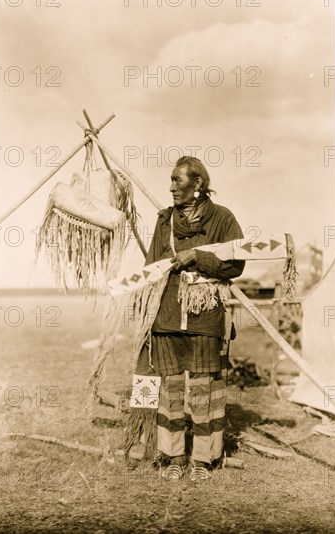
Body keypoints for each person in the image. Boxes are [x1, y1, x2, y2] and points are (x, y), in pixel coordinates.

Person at [135, 156, 245, 482]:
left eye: (177, 181)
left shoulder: (223, 219)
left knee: (203, 388)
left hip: (205, 316)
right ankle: (172, 457)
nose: (171, 187)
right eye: (170, 180)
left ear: (198, 183)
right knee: (169, 388)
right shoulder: (164, 221)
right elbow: (151, 266)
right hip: (167, 315)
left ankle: (202, 458)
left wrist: (198, 256)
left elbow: (235, 265)